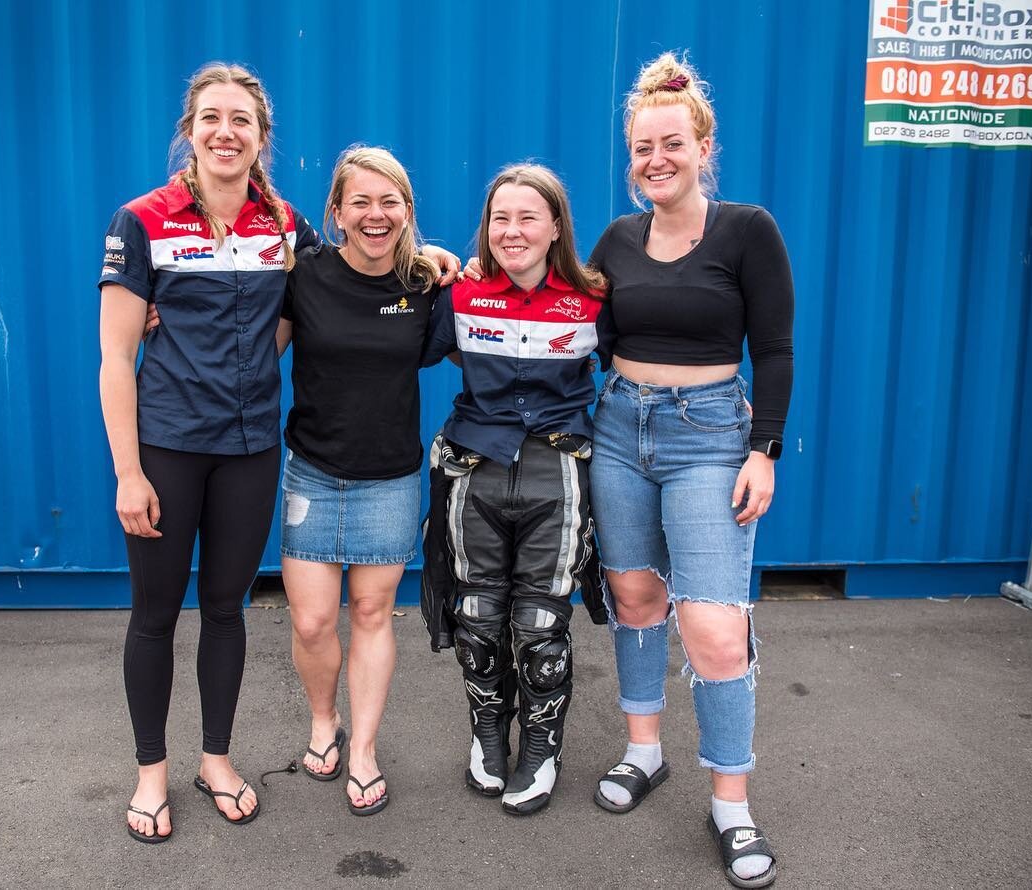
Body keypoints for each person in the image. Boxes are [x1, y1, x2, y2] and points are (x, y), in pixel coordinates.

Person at [99, 61, 321, 843]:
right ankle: (151, 772)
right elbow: (115, 359)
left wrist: (430, 265)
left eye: (243, 122)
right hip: (166, 449)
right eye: (211, 118)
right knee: (155, 614)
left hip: (252, 447)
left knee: (226, 609)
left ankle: (216, 760)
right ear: (189, 130)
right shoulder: (142, 220)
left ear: (262, 138)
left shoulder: (286, 225)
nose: (226, 133)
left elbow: (320, 301)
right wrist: (129, 473)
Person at [587, 52, 793, 889]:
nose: (655, 161)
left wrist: (764, 450)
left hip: (710, 435)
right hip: (618, 428)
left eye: (672, 144)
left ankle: (733, 804)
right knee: (634, 596)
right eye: (643, 148)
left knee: (713, 624)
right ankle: (645, 751)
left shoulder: (748, 231)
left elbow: (774, 348)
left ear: (703, 146)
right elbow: (576, 323)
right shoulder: (614, 239)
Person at [421, 164, 606, 816]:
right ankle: (488, 737)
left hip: (558, 477)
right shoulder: (463, 295)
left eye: (529, 216)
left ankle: (541, 746)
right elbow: (393, 338)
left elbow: (652, 356)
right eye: (501, 217)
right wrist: (423, 262)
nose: (513, 230)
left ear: (556, 226)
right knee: (477, 620)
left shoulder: (594, 299)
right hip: (479, 471)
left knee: (539, 625)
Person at [275, 146, 445, 816]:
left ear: (406, 211)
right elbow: (256, 353)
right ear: (337, 212)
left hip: (389, 478)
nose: (376, 215)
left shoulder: (428, 283)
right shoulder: (305, 275)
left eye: (390, 201)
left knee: (372, 614)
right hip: (312, 472)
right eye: (361, 202)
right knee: (314, 619)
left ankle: (365, 748)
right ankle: (324, 722)